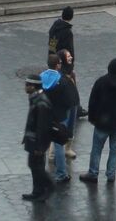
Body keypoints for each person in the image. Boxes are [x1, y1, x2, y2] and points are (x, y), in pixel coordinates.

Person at [80, 58, 116, 184]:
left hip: (102, 123)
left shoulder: (101, 82)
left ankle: (93, 173)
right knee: (114, 150)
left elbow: (93, 101)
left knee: (97, 149)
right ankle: (111, 174)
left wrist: (92, 118)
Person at [41, 55, 74, 183]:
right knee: (59, 145)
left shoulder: (41, 77)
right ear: (58, 65)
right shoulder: (62, 79)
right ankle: (61, 173)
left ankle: (42, 173)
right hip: (59, 116)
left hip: (45, 115)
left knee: (43, 145)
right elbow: (69, 101)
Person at [22, 74, 53, 202]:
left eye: (27, 85)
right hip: (33, 140)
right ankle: (37, 191)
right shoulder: (35, 98)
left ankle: (48, 186)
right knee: (34, 165)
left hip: (37, 142)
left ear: (33, 86)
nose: (25, 87)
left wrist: (40, 146)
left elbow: (42, 128)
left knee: (37, 166)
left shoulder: (41, 103)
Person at [56, 49, 80, 159]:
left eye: (70, 56)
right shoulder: (59, 74)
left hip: (73, 104)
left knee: (71, 127)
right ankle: (55, 152)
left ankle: (68, 149)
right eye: (68, 56)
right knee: (61, 127)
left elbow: (75, 87)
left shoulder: (72, 72)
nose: (71, 58)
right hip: (63, 105)